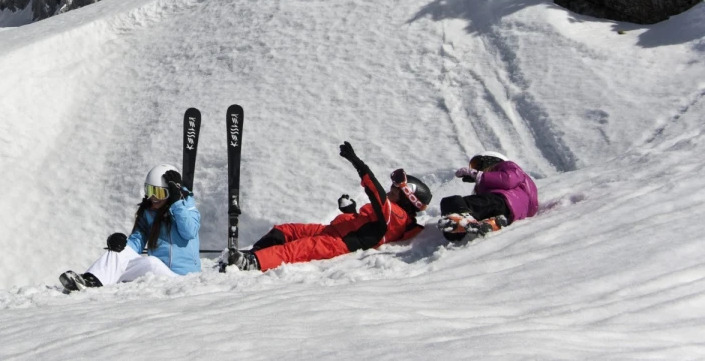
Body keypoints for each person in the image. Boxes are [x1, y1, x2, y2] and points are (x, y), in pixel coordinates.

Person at [224, 141, 431, 271]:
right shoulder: (389, 213)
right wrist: (349, 212)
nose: (389, 191)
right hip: (332, 232)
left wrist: (360, 165)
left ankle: (251, 263)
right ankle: (252, 254)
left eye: (395, 191)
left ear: (407, 199)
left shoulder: (399, 216)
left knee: (293, 250)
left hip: (338, 243)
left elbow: (375, 194)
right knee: (286, 230)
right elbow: (362, 223)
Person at [60, 164, 201, 290]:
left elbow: (189, 232)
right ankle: (89, 281)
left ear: (171, 193)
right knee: (118, 251)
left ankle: (98, 280)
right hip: (159, 275)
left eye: (159, 192)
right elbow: (137, 242)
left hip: (182, 278)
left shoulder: (187, 208)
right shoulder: (149, 213)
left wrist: (177, 204)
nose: (153, 197)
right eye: (149, 190)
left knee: (151, 262)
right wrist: (121, 245)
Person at [438, 151, 538, 240]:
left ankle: (463, 222)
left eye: (478, 164)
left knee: (451, 201)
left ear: (491, 160)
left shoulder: (508, 166)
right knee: (453, 208)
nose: (477, 169)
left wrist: (478, 175)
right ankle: (492, 223)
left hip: (502, 201)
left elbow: (509, 179)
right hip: (507, 212)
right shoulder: (487, 183)